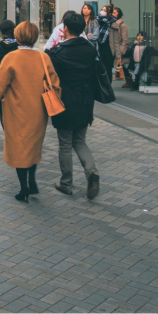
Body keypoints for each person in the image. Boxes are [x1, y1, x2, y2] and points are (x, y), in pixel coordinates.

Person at [0, 21, 61, 202]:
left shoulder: (12, 57)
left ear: (18, 36)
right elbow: (55, 84)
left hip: (15, 109)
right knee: (33, 145)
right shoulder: (43, 57)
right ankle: (32, 180)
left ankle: (23, 187)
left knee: (18, 146)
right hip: (38, 110)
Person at [46, 12, 100, 199]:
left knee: (65, 144)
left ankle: (66, 183)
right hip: (85, 100)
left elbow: (50, 76)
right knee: (80, 140)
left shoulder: (58, 51)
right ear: (83, 29)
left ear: (65, 28)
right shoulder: (90, 49)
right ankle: (91, 170)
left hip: (65, 101)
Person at [109, 7, 129, 86]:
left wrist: (120, 52)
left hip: (119, 49)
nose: (112, 14)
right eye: (112, 13)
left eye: (114, 13)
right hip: (112, 48)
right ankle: (128, 79)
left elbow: (125, 40)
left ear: (118, 14)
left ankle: (129, 79)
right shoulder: (110, 24)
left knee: (121, 65)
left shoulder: (122, 26)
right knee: (118, 66)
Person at [96, 4, 116, 77]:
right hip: (99, 47)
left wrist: (118, 54)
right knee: (100, 68)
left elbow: (116, 39)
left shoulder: (113, 23)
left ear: (110, 14)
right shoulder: (97, 20)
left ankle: (108, 86)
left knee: (108, 69)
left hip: (109, 49)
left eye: (105, 11)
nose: (102, 12)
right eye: (102, 10)